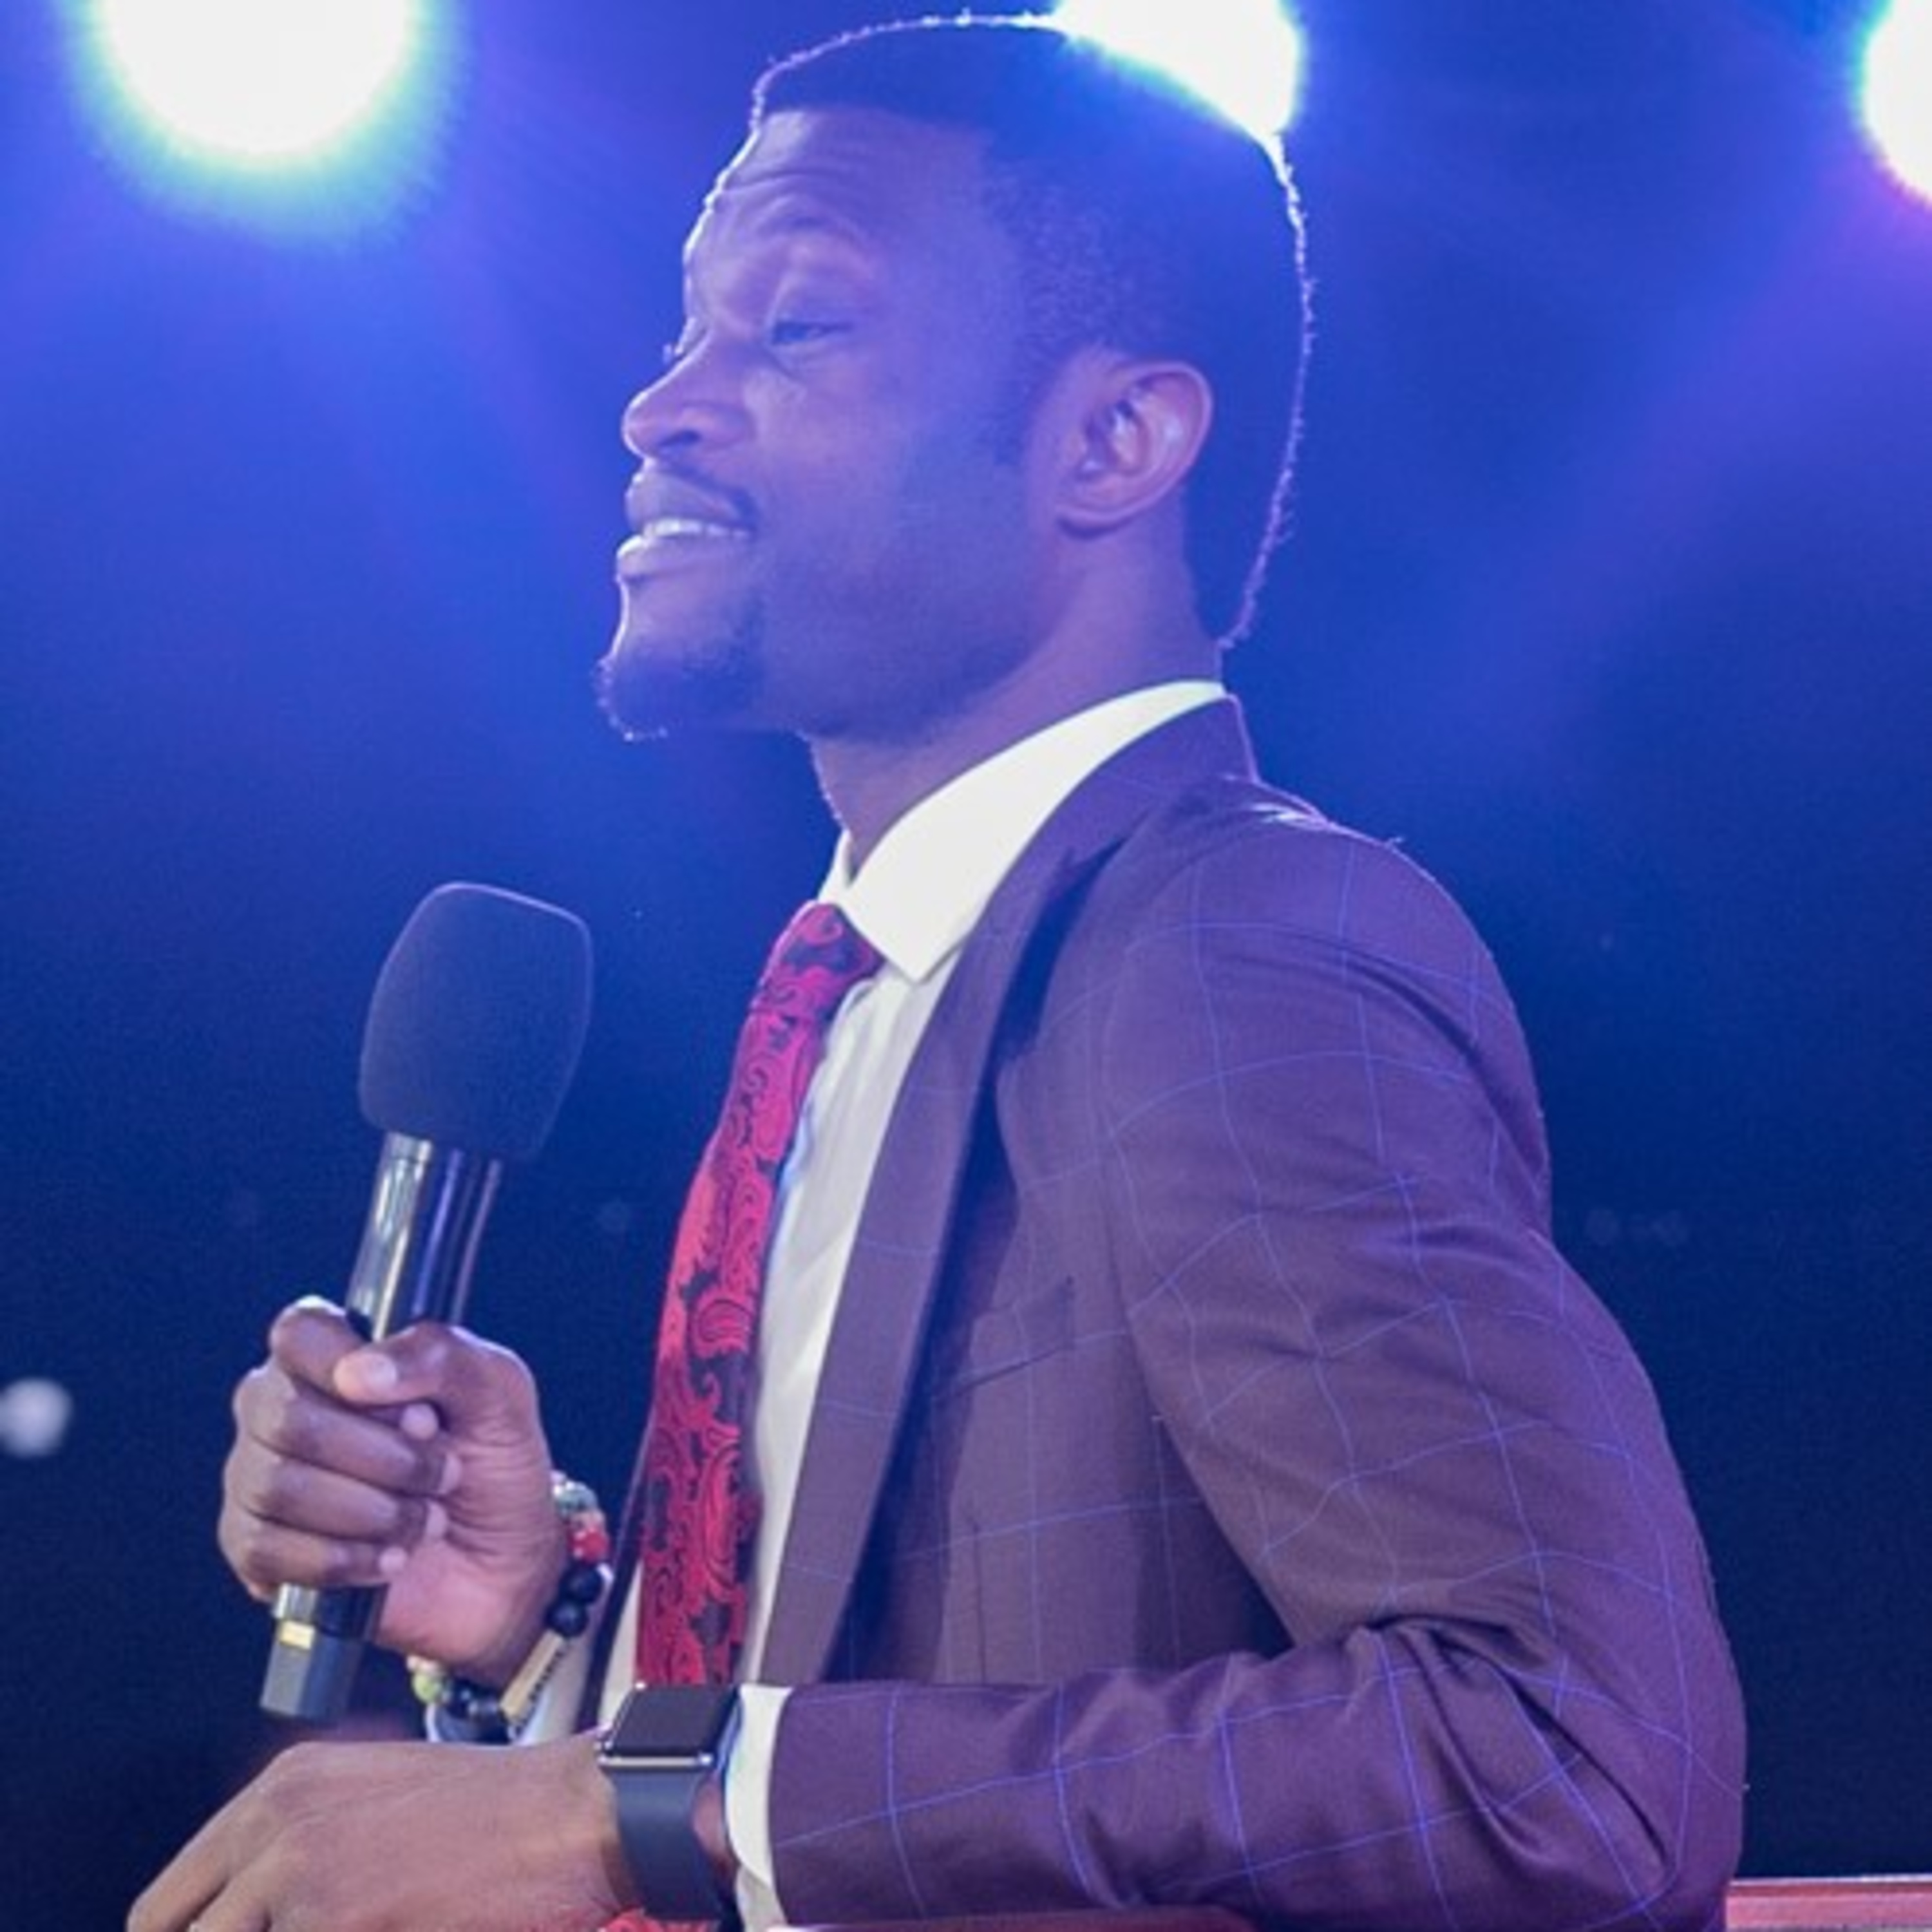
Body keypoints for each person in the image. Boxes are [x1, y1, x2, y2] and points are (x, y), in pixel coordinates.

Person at [131, 17, 1745, 1932]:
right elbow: (892, 1727)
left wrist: (641, 1809)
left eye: (798, 326)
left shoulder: (1229, 943)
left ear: (1112, 444)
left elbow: (1565, 1756)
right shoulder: (875, 982)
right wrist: (553, 1628)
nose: (662, 407)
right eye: (686, 327)